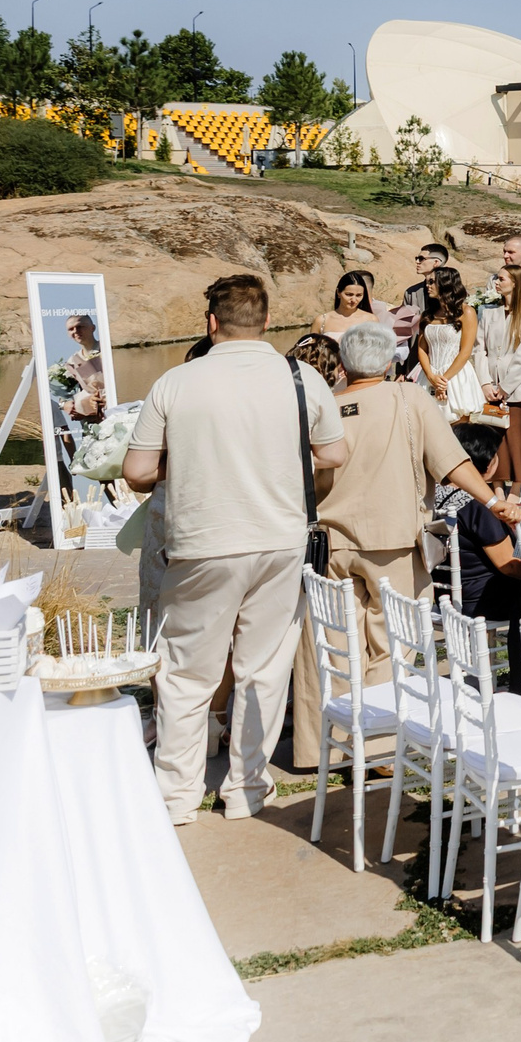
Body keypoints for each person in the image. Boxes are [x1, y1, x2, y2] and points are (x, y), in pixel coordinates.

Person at [124, 274, 351, 824]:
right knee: (264, 669)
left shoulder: (176, 382)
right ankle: (246, 787)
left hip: (203, 540)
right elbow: (334, 454)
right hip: (280, 540)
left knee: (186, 673)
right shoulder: (300, 377)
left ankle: (177, 795)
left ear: (211, 322)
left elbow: (137, 471)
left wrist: (191, 462)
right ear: (267, 321)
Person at [291, 320, 500, 763]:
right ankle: (378, 747)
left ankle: (324, 748)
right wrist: (494, 501)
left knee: (332, 645)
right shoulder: (408, 398)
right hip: (394, 540)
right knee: (392, 644)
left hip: (328, 543)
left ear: (344, 365)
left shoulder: (323, 405)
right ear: (389, 362)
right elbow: (452, 463)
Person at [437, 423, 521, 691]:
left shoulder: (436, 495)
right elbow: (508, 565)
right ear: (488, 463)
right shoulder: (477, 505)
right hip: (480, 600)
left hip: (445, 593)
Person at [478, 266, 521, 492]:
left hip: (517, 387)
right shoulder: (489, 313)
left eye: (501, 278)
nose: (496, 282)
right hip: (490, 385)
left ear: (515, 282)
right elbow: (480, 349)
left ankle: (516, 489)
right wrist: (485, 382)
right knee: (493, 438)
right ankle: (497, 486)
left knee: (518, 439)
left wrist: (505, 387)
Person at [414, 267, 492, 425]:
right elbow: (422, 349)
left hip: (456, 376)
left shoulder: (466, 312)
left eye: (432, 282)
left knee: (458, 430)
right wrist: (431, 377)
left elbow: (465, 351)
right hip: (429, 375)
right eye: (427, 282)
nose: (428, 286)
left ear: (445, 284)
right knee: (427, 427)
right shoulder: (427, 315)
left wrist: (443, 381)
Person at [392, 244, 450, 379]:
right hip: (414, 360)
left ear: (436, 262)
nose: (417, 262)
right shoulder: (411, 293)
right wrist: (401, 369)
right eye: (417, 258)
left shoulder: (455, 292)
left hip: (446, 363)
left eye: (421, 258)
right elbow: (403, 331)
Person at [311, 270, 391, 342]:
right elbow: (310, 350)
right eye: (349, 294)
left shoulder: (371, 320)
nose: (353, 300)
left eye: (358, 295)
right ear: (338, 292)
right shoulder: (322, 321)